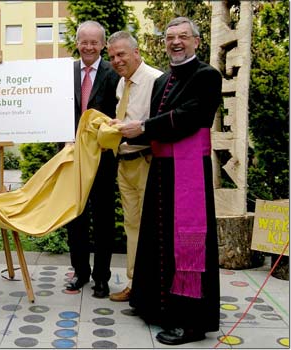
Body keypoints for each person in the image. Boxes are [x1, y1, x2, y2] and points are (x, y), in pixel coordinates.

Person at [119, 17, 222, 345]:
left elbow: (193, 116)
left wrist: (145, 127)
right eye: (170, 38)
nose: (176, 43)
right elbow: (150, 124)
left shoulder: (207, 75)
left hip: (189, 172)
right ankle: (153, 306)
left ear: (196, 41)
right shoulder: (164, 80)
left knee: (187, 245)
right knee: (157, 237)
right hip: (162, 170)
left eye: (183, 37)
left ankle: (191, 322)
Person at [105, 31, 163, 302]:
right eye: (112, 56)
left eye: (122, 54)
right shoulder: (122, 83)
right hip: (124, 163)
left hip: (147, 161)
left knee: (151, 226)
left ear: (136, 52)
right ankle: (133, 283)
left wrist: (136, 131)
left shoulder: (156, 80)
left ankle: (151, 288)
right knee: (132, 226)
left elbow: (161, 125)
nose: (116, 60)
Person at [65, 20, 120, 299]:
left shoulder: (114, 74)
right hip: (73, 158)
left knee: (102, 218)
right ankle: (80, 272)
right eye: (83, 41)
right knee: (75, 217)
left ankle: (102, 278)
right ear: (77, 43)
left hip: (102, 159)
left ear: (103, 45)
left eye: (94, 42)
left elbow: (119, 115)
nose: (88, 47)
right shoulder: (66, 72)